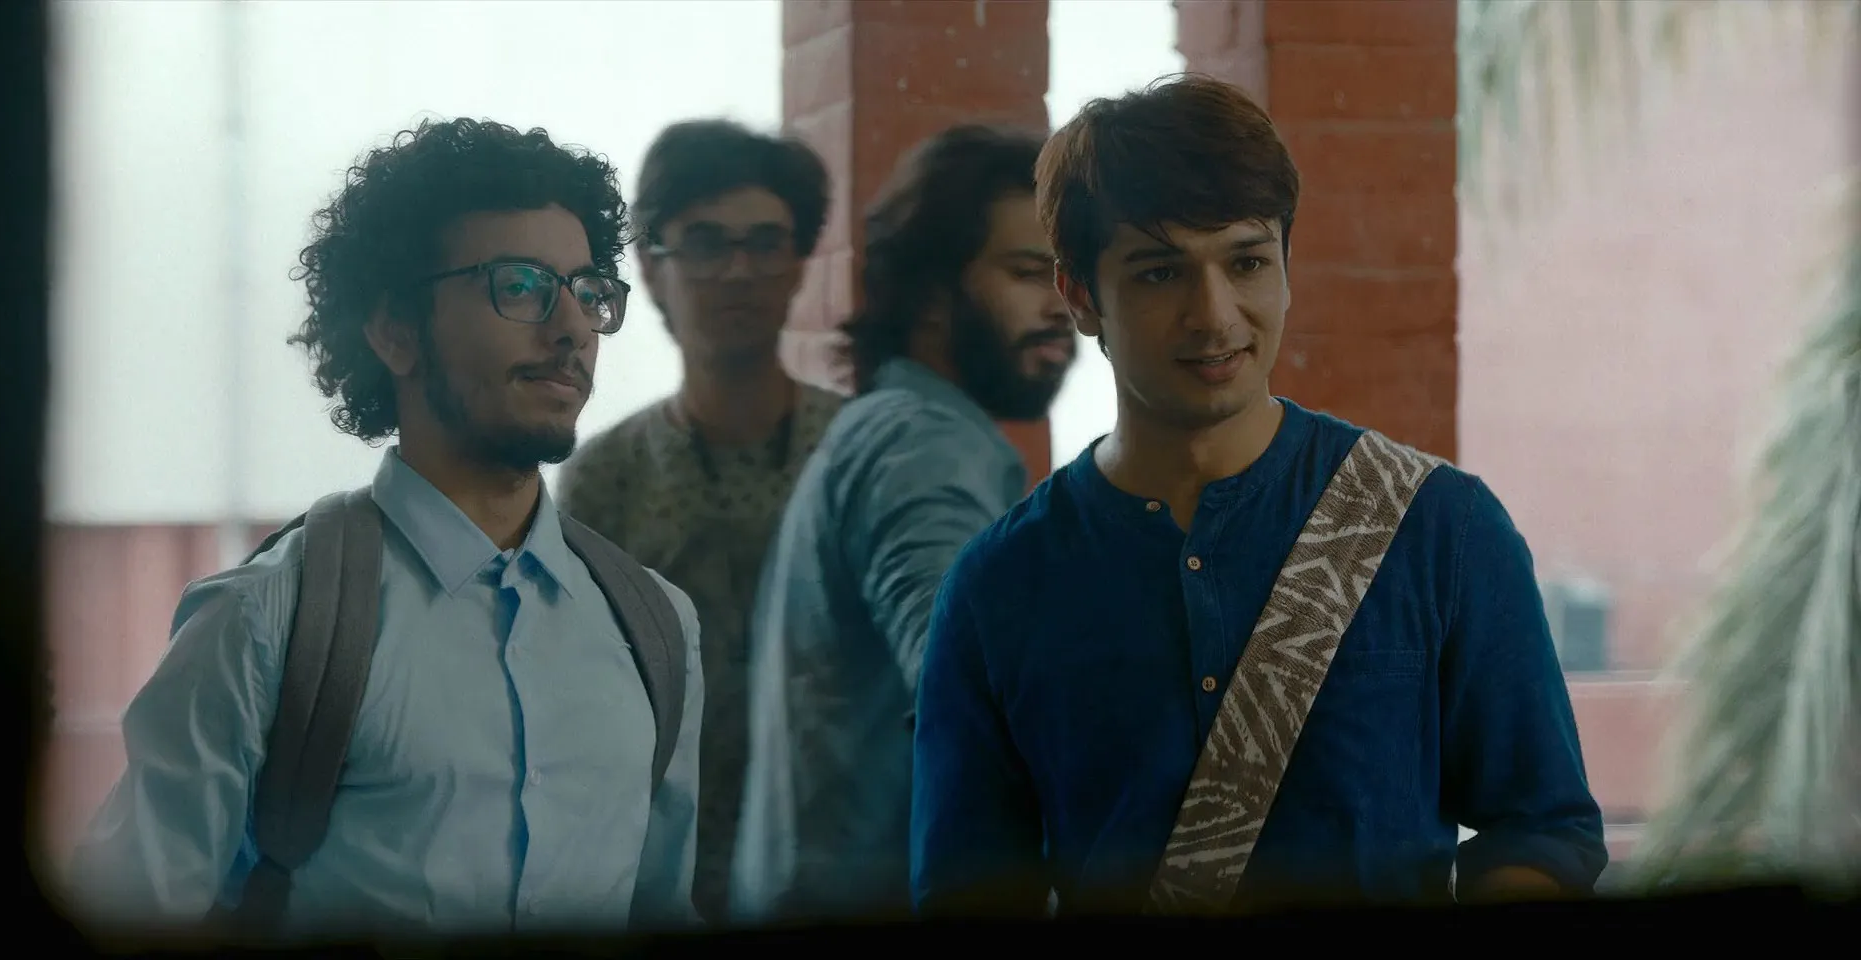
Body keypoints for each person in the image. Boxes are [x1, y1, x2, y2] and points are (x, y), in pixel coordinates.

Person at [910, 75, 1608, 918]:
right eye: (1160, 272)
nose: (1215, 316)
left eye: (1245, 262)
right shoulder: (998, 588)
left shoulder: (1439, 527)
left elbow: (1540, 828)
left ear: (1286, 267)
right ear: (1081, 296)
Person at [66, 119, 703, 940]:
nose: (571, 328)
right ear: (395, 330)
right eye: (520, 286)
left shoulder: (656, 627)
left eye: (586, 291)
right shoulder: (266, 622)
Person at [729, 124, 1077, 924]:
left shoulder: (896, 430)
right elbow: (980, 699)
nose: (1061, 306)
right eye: (1028, 273)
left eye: (1069, 276)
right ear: (929, 296)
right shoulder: (922, 446)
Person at [556, 119, 838, 923]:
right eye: (707, 243)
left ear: (799, 262)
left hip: (847, 863)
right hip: (665, 876)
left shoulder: (857, 453)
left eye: (766, 242)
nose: (740, 270)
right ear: (652, 267)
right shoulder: (606, 476)